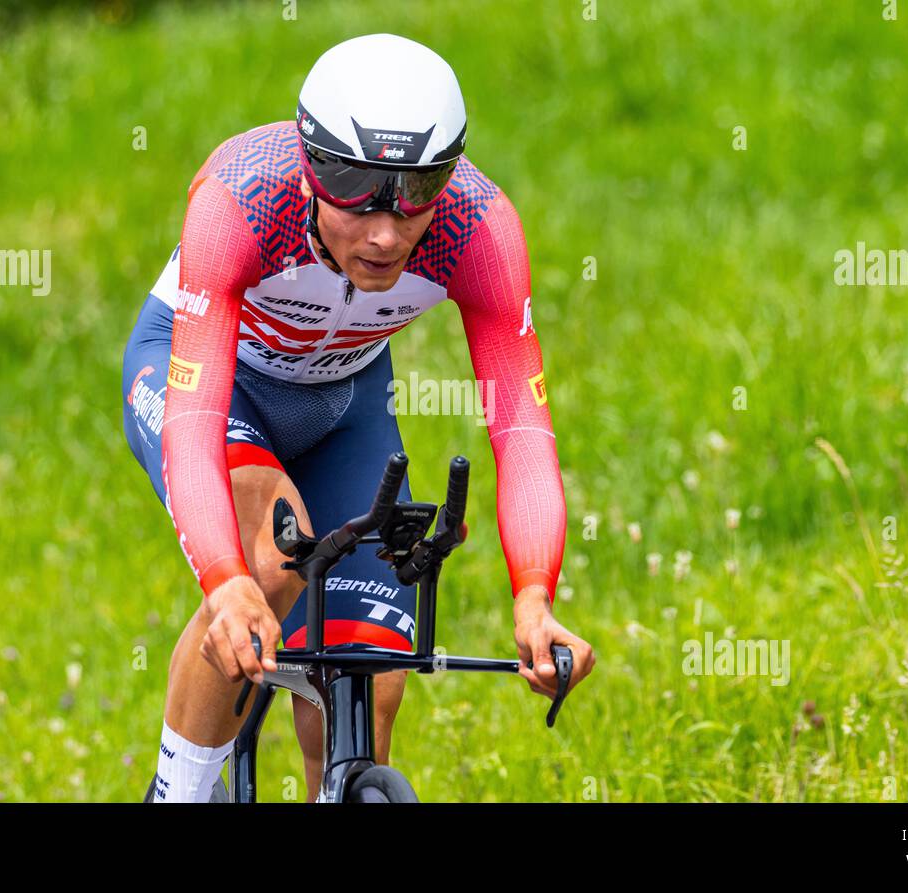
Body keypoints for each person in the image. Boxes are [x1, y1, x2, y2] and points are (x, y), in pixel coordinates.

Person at [122, 33, 594, 803]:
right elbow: (196, 414)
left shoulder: (478, 228)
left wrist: (535, 595)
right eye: (356, 189)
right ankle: (179, 792)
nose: (386, 230)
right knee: (269, 567)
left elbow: (523, 429)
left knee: (370, 674)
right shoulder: (240, 199)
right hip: (216, 385)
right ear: (311, 165)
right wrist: (224, 579)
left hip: (342, 402)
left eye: (417, 190)